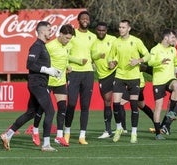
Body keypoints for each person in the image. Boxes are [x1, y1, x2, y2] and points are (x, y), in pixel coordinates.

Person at [0, 21, 62, 151]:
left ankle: (8, 134)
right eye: (49, 30)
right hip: (37, 84)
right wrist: (47, 70)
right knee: (50, 111)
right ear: (42, 31)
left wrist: (53, 71)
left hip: (39, 83)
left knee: (31, 113)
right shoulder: (37, 46)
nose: (51, 32)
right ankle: (46, 144)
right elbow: (30, 64)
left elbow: (39, 65)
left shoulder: (43, 46)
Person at [31, 24, 75, 147]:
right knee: (41, 109)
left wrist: (67, 66)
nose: (68, 41)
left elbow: (64, 59)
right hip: (48, 81)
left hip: (60, 82)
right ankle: (35, 131)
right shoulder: (49, 46)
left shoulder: (67, 46)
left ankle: (59, 136)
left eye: (69, 39)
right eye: (66, 38)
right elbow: (41, 61)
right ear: (60, 34)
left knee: (62, 108)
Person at [108, 19, 150, 143]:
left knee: (133, 105)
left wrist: (138, 61)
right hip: (120, 76)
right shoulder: (116, 42)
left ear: (129, 28)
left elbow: (148, 55)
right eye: (120, 27)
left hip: (134, 77)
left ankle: (134, 133)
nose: (121, 29)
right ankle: (119, 127)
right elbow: (111, 56)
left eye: (123, 27)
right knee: (115, 103)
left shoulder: (136, 41)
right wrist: (111, 63)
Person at [148, 29, 177, 140]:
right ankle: (158, 133)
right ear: (166, 38)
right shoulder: (155, 49)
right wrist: (160, 62)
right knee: (158, 108)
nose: (174, 39)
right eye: (172, 37)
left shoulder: (173, 50)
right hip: (159, 82)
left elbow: (176, 62)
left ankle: (171, 112)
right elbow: (150, 62)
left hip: (170, 79)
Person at [64, 11, 97, 145]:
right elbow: (65, 53)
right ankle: (67, 132)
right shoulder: (72, 35)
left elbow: (94, 54)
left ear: (89, 21)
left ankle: (82, 136)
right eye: (82, 18)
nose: (85, 20)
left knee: (85, 106)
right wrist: (75, 62)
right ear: (78, 20)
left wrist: (98, 60)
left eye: (87, 18)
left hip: (88, 73)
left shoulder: (93, 36)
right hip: (74, 72)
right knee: (71, 103)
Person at [90, 21, 117, 138]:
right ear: (96, 30)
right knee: (107, 101)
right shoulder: (92, 42)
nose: (101, 32)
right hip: (102, 76)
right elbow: (89, 56)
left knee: (115, 99)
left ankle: (119, 128)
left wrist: (114, 62)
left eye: (103, 30)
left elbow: (119, 53)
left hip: (115, 72)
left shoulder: (113, 39)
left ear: (107, 30)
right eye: (99, 30)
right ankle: (108, 130)